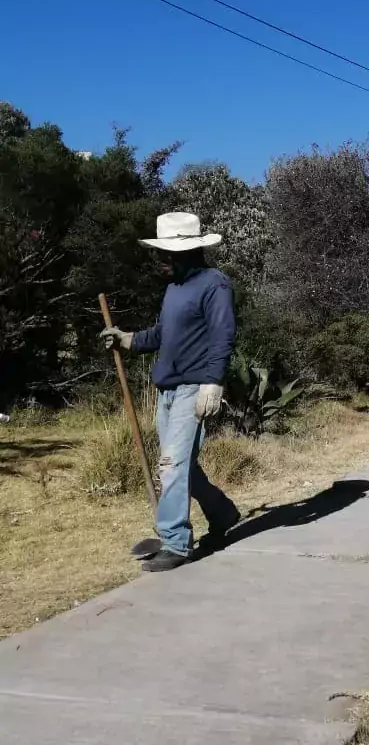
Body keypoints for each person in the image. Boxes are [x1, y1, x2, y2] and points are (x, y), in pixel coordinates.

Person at [101, 211, 240, 571]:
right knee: (181, 467)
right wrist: (127, 339)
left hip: (195, 387)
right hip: (168, 391)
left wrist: (213, 382)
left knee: (171, 465)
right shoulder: (174, 288)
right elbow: (164, 334)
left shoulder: (215, 285)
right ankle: (223, 514)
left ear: (189, 252)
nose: (160, 261)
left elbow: (223, 336)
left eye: (166, 255)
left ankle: (176, 543)